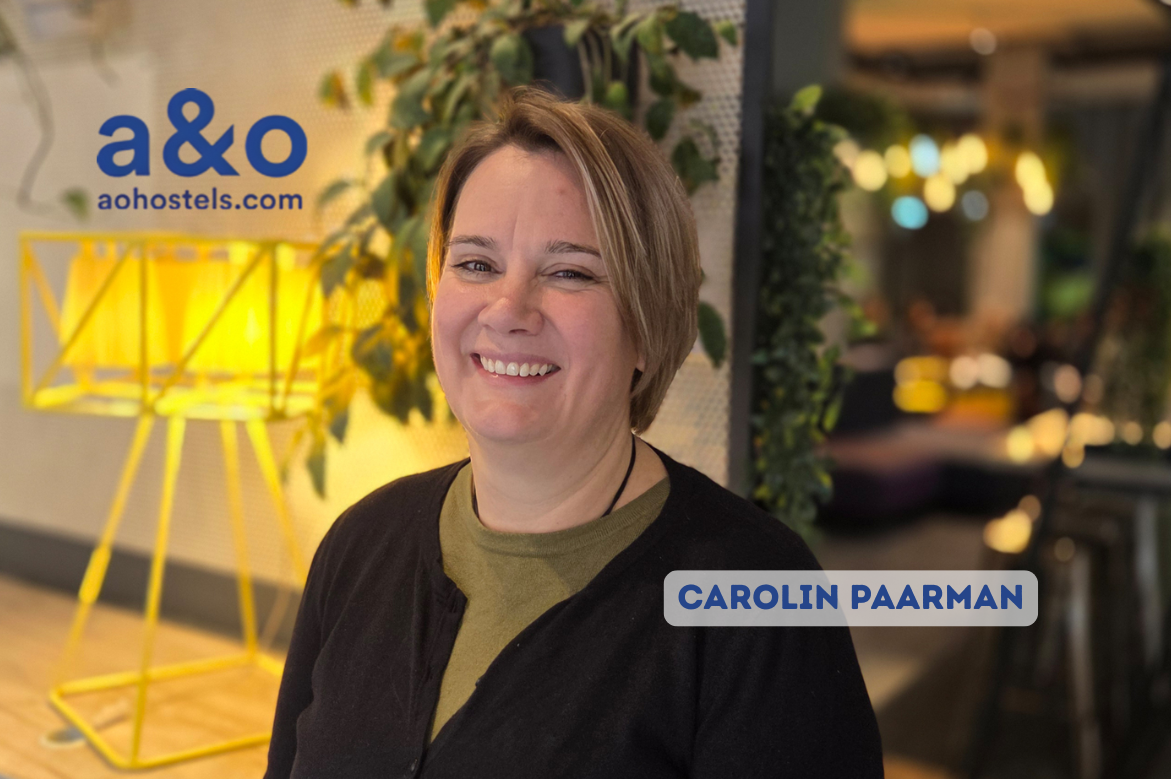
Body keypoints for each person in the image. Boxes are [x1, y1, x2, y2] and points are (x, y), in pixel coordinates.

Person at [264, 87, 882, 779]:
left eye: (569, 272)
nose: (508, 309)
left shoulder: (758, 600)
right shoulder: (360, 542)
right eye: (476, 264)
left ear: (647, 324)